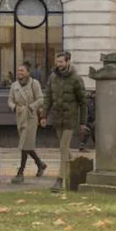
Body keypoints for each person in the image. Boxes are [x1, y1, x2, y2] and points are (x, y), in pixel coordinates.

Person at [44, 51, 88, 187]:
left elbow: (83, 102)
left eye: (61, 62)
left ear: (68, 61)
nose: (59, 64)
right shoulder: (52, 77)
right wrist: (44, 115)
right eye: (57, 62)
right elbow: (48, 97)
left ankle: (60, 179)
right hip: (57, 118)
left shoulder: (76, 79)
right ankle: (76, 168)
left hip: (70, 119)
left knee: (63, 147)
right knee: (65, 149)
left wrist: (83, 122)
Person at [7, 63, 46, 184]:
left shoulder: (34, 84)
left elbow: (41, 99)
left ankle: (20, 173)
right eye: (18, 70)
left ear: (28, 72)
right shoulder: (14, 85)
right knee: (27, 145)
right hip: (20, 117)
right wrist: (14, 107)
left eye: (22, 71)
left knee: (24, 145)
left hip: (31, 118)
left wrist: (31, 107)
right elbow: (10, 100)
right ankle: (40, 164)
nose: (19, 73)